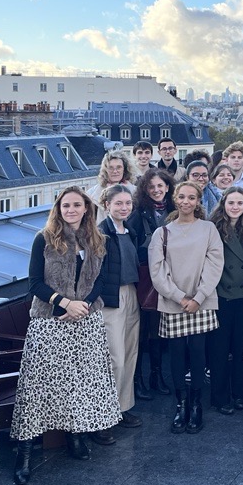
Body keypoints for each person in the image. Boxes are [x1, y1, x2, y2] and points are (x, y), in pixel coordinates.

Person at [10, 186, 121, 485]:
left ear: (87, 208)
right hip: (50, 321)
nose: (70, 210)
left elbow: (102, 280)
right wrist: (65, 303)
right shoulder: (43, 239)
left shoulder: (99, 240)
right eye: (65, 205)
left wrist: (82, 306)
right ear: (58, 209)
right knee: (37, 389)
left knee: (80, 384)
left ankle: (75, 437)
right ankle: (24, 454)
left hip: (86, 321)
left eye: (76, 205)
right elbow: (35, 283)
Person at [148, 181, 225, 433]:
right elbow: (157, 272)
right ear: (174, 199)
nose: (186, 202)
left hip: (201, 301)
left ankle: (196, 405)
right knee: (178, 356)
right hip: (174, 303)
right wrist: (180, 298)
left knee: (199, 354)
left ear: (198, 201)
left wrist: (198, 297)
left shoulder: (208, 228)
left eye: (191, 197)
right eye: (181, 197)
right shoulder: (163, 233)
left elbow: (215, 265)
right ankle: (181, 405)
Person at [93, 185, 144, 446]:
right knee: (115, 359)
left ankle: (123, 408)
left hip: (131, 294)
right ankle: (103, 416)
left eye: (127, 203)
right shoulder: (100, 233)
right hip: (110, 300)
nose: (124, 208)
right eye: (118, 204)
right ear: (106, 205)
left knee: (130, 354)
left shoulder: (130, 231)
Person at [128, 168, 177, 397]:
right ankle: (137, 381)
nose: (157, 190)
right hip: (146, 279)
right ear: (145, 190)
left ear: (168, 187)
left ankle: (156, 377)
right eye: (151, 187)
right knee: (141, 331)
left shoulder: (175, 211)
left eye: (160, 186)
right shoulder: (138, 214)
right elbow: (131, 247)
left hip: (170, 277)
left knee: (158, 331)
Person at [207, 186, 243, 415]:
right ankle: (219, 397)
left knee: (240, 349)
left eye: (240, 203)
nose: (235, 207)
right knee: (219, 349)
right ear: (223, 204)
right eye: (231, 203)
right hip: (221, 297)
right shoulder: (213, 229)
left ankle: (240, 394)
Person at [87, 150, 136, 221]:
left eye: (118, 167)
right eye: (111, 168)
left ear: (124, 169)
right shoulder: (92, 194)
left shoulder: (136, 193)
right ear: (105, 170)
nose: (115, 171)